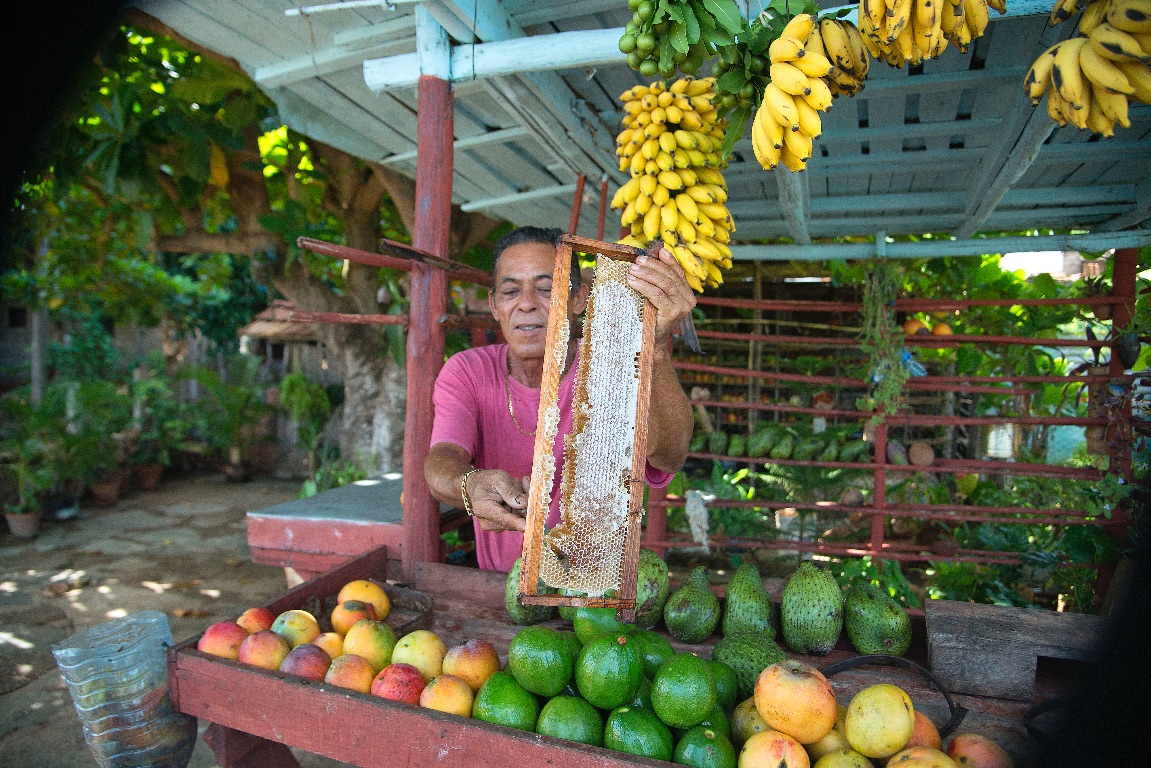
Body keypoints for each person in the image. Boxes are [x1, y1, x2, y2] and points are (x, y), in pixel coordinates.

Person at [424, 226, 696, 572]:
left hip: (592, 594)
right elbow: (442, 459)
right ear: (494, 305)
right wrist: (470, 484)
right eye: (511, 291)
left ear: (578, 299)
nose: (526, 304)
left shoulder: (612, 368)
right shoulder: (467, 371)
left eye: (546, 288)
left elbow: (670, 456)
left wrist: (654, 347)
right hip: (502, 589)